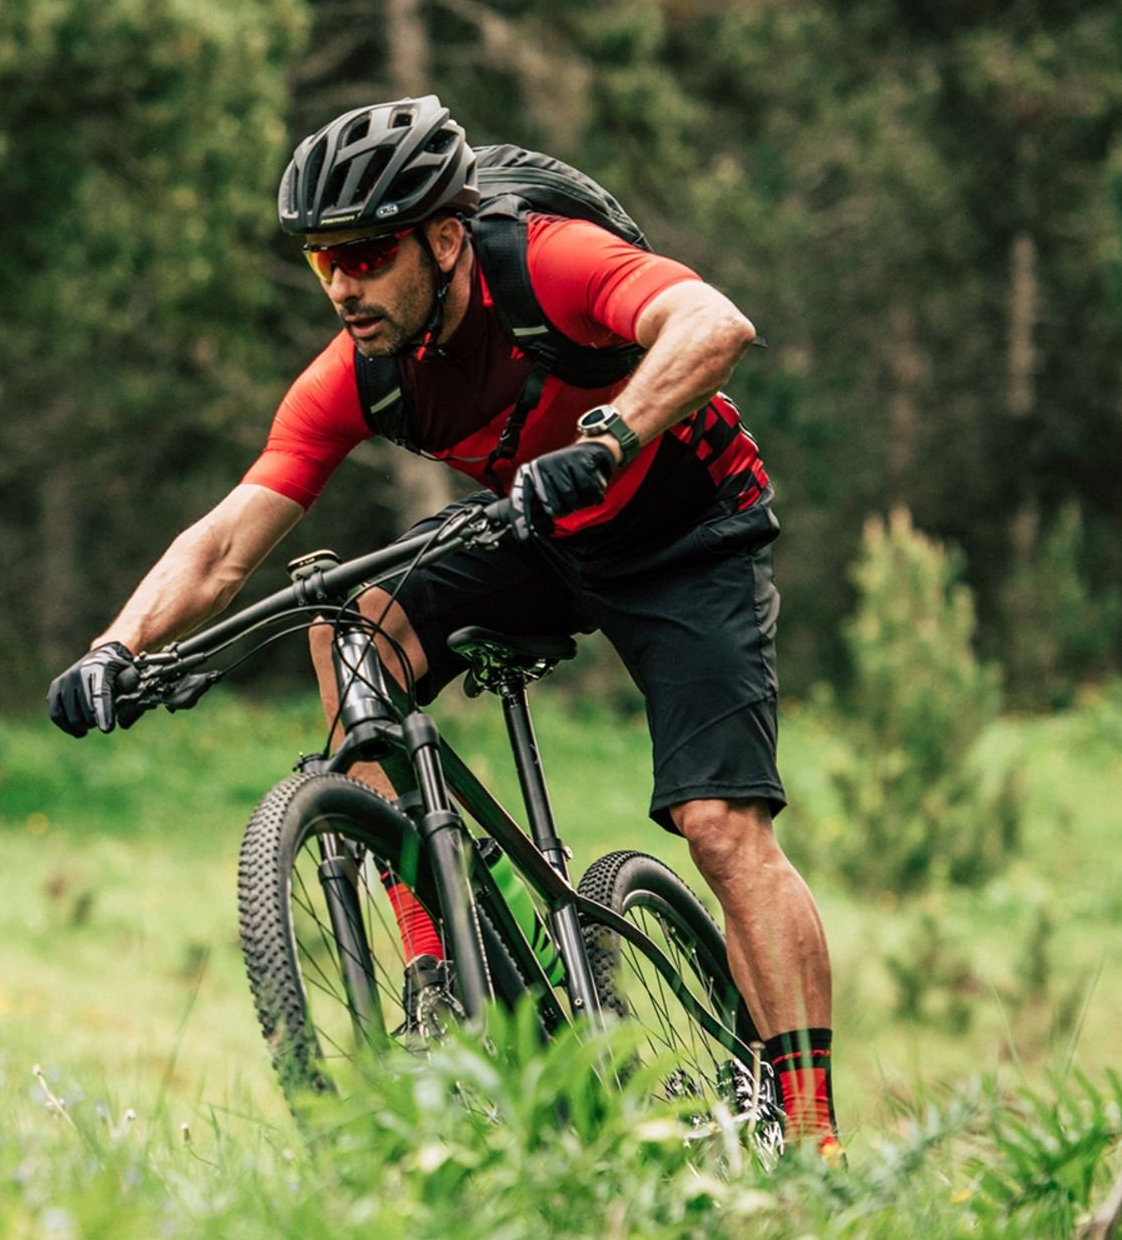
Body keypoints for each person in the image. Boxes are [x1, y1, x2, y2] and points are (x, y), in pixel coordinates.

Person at [43, 94, 840, 1156]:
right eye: (322, 261)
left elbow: (712, 324)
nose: (342, 286)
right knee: (351, 623)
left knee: (720, 828)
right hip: (539, 528)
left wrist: (607, 439)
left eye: (366, 257)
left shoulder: (548, 264)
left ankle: (812, 1134)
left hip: (686, 532)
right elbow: (230, 537)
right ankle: (433, 956)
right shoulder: (361, 370)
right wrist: (118, 647)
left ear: (446, 240)